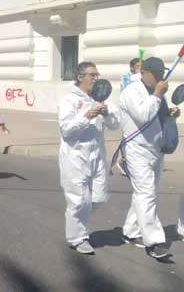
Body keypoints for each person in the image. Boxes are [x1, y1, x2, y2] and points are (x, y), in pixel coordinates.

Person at [119, 57, 179, 259]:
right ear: (144, 73)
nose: (161, 77)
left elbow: (156, 116)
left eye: (162, 73)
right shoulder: (131, 91)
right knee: (146, 194)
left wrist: (170, 111)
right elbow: (143, 115)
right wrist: (157, 95)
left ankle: (130, 231)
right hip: (137, 150)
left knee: (146, 193)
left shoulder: (155, 91)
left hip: (156, 149)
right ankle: (153, 241)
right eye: (157, 74)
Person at [57, 62, 120, 255]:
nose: (95, 78)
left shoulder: (101, 98)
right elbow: (66, 130)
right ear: (80, 77)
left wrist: (107, 113)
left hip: (97, 156)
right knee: (78, 200)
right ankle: (78, 238)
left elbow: (115, 125)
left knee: (99, 197)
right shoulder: (69, 99)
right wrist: (86, 116)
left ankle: (77, 222)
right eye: (92, 75)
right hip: (75, 156)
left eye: (97, 74)